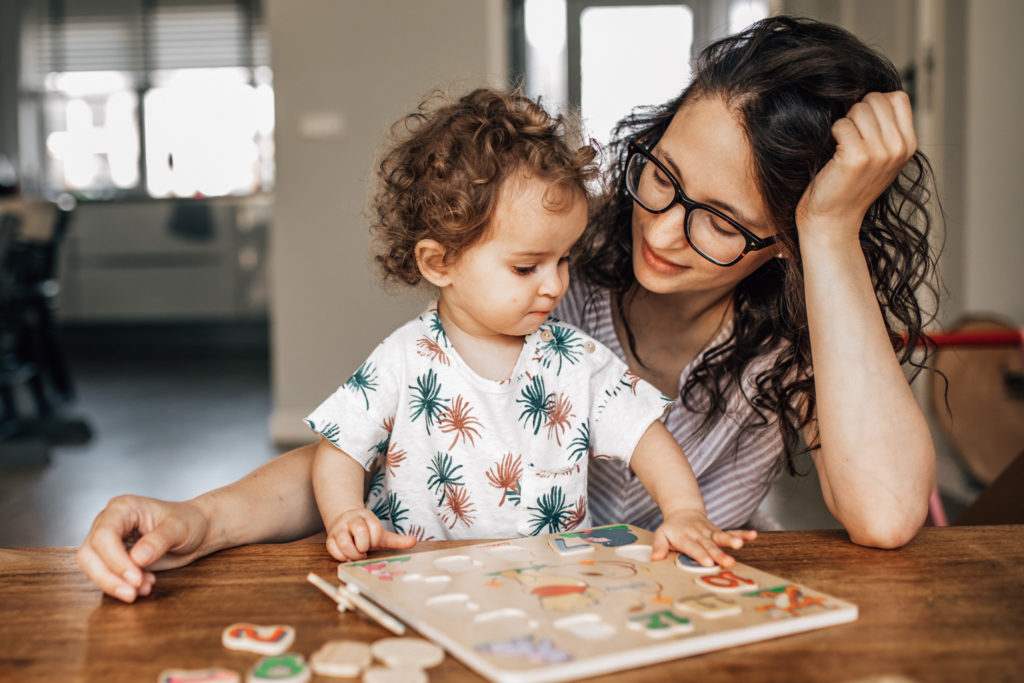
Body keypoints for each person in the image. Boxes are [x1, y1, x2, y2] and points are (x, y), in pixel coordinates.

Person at [77, 16, 938, 604]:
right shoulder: (547, 278)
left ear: (779, 242)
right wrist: (201, 517)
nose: (664, 231)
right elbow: (356, 451)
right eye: (664, 177)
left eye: (718, 220)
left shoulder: (792, 336)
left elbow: (890, 513)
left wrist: (828, 234)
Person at [306, 88, 753, 564]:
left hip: (549, 585)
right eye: (526, 268)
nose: (555, 285)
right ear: (440, 263)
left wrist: (683, 510)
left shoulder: (576, 360)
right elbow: (342, 448)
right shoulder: (401, 359)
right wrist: (345, 514)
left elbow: (647, 438)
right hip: (423, 580)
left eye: (563, 260)